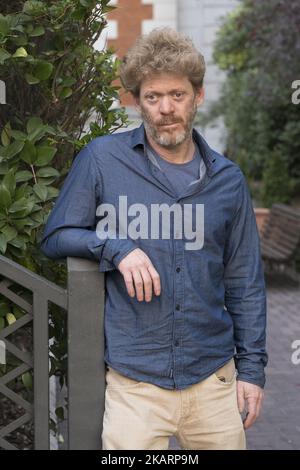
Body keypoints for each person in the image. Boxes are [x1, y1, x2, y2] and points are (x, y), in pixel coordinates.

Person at [41, 28, 267, 450]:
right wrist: (116, 247)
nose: (166, 109)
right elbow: (55, 236)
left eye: (177, 95)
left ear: (198, 96)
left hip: (214, 380)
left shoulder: (228, 181)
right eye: (152, 97)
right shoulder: (103, 161)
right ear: (136, 101)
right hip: (135, 385)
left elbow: (245, 282)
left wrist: (252, 372)